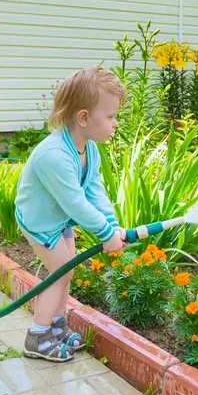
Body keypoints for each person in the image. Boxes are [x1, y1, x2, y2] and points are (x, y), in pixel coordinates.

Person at [15, 66, 127, 362]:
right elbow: (76, 202)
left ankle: (56, 326)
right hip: (40, 221)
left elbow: (93, 189)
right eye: (112, 116)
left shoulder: (88, 149)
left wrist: (112, 225)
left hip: (58, 216)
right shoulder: (54, 156)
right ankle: (36, 337)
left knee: (67, 270)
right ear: (84, 117)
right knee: (60, 272)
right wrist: (105, 234)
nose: (116, 123)